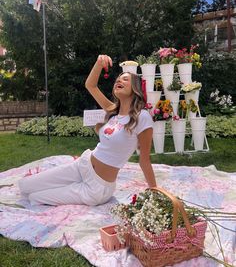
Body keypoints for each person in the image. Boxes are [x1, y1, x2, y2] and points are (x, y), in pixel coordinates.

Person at [18, 54, 157, 206]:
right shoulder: (113, 110)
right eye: (118, 78)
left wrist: (155, 192)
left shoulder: (142, 117)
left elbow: (144, 161)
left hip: (97, 187)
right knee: (25, 186)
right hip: (82, 166)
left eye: (125, 79)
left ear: (135, 88)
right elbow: (90, 85)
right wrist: (98, 63)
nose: (118, 80)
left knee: (35, 197)